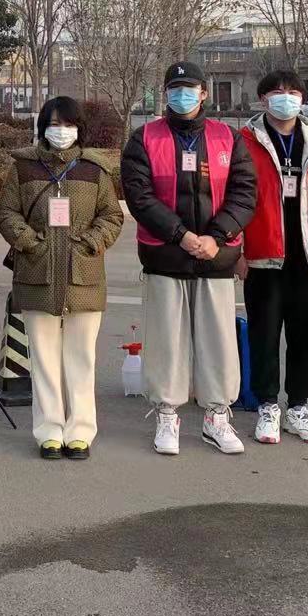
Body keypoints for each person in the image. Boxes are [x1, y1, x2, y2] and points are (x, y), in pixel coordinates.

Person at [121, 61, 258, 457]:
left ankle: (217, 415)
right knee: (166, 339)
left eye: (189, 88)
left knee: (218, 341)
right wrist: (181, 235)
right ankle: (167, 412)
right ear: (165, 94)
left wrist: (216, 237)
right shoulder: (144, 138)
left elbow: (245, 192)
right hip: (165, 255)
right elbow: (139, 196)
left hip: (216, 256)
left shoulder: (228, 138)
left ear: (204, 93)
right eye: (175, 88)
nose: (182, 95)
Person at [0, 97, 123, 461]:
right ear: (42, 128)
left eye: (68, 124)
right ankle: (49, 430)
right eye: (54, 124)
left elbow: (112, 216)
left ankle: (80, 430)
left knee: (81, 357)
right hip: (37, 273)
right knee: (44, 358)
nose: (61, 131)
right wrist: (30, 243)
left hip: (84, 275)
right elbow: (6, 212)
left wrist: (91, 242)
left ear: (79, 129)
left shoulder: (94, 170)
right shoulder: (23, 168)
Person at [237, 71, 308, 446]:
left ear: (302, 98)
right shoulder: (245, 141)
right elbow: (233, 198)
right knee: (264, 334)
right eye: (277, 92)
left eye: (293, 92)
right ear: (263, 99)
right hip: (263, 253)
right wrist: (237, 249)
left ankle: (299, 406)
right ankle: (268, 405)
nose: (286, 98)